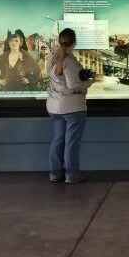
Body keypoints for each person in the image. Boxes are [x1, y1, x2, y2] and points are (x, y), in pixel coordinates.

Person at [46, 28, 94, 184]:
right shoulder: (70, 61)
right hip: (73, 107)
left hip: (54, 107)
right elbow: (73, 85)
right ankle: (72, 174)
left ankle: (55, 173)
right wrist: (89, 81)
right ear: (74, 42)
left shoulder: (51, 58)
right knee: (71, 142)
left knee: (58, 139)